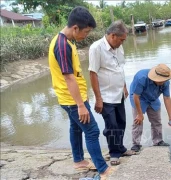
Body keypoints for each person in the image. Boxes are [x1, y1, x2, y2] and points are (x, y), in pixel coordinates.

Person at [48, 6, 110, 180]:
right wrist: (81, 105)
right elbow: (68, 78)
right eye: (86, 31)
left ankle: (79, 161)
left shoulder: (66, 42)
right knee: (92, 131)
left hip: (73, 98)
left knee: (76, 128)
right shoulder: (61, 45)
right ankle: (103, 170)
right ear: (75, 28)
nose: (86, 35)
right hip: (72, 100)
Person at [89, 20, 136, 166]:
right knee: (112, 125)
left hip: (119, 94)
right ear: (113, 36)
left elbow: (119, 68)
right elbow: (93, 73)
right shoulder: (96, 48)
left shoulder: (118, 47)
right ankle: (114, 153)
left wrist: (124, 87)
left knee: (121, 122)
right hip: (106, 96)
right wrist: (98, 99)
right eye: (121, 40)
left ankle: (120, 148)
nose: (122, 43)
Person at [130, 64, 171, 152]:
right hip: (139, 98)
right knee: (138, 121)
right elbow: (136, 96)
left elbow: (167, 98)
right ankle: (136, 144)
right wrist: (140, 114)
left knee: (157, 121)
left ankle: (158, 141)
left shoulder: (166, 82)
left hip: (153, 98)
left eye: (164, 80)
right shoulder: (141, 78)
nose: (162, 82)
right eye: (160, 81)